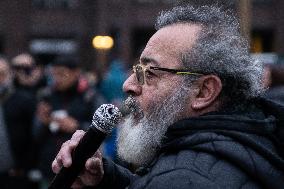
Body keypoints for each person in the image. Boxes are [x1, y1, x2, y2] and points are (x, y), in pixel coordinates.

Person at [52, 4, 284, 189]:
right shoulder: (250, 140)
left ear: (204, 91)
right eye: (136, 71)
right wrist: (106, 180)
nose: (128, 85)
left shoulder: (183, 178)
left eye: (150, 72)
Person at [33, 56, 96, 186]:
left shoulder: (89, 96)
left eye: (62, 74)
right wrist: (43, 122)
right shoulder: (46, 95)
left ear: (76, 73)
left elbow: (104, 131)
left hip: (79, 170)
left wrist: (77, 126)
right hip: (49, 168)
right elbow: (35, 135)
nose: (57, 79)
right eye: (54, 74)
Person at [0, 56, 37, 188]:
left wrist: (25, 166)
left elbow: (35, 135)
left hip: (16, 174)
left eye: (2, 74)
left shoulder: (24, 99)